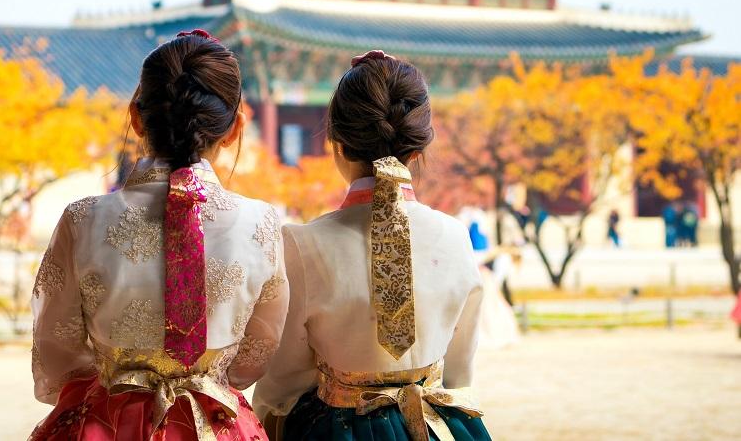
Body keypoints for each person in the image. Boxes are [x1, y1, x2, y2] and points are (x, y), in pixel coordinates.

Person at [29, 30, 289, 440]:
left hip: (107, 421)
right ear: (235, 128)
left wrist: (115, 383)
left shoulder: (82, 219)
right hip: (215, 421)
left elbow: (56, 346)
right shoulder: (261, 223)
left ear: (136, 117)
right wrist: (211, 378)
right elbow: (259, 349)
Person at [253, 50, 490, 440]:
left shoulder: (300, 243)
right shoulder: (455, 235)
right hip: (434, 425)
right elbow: (459, 372)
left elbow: (286, 381)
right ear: (417, 149)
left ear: (337, 145)